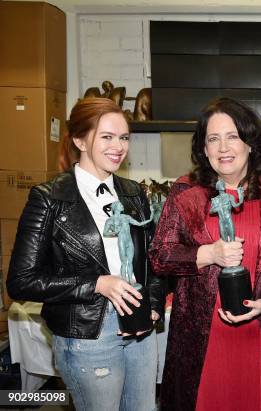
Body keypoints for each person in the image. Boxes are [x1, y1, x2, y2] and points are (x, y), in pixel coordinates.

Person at [149, 97, 261, 411]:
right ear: (204, 149)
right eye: (213, 138)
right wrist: (208, 253)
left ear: (251, 144)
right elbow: (160, 255)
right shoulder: (186, 193)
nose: (223, 147)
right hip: (203, 336)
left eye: (232, 136)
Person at [7, 97, 164, 411]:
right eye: (106, 137)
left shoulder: (134, 193)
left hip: (140, 329)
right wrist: (96, 284)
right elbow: (21, 281)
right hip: (87, 332)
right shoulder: (49, 199)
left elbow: (153, 261)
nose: (118, 147)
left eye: (123, 138)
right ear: (79, 140)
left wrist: (155, 304)